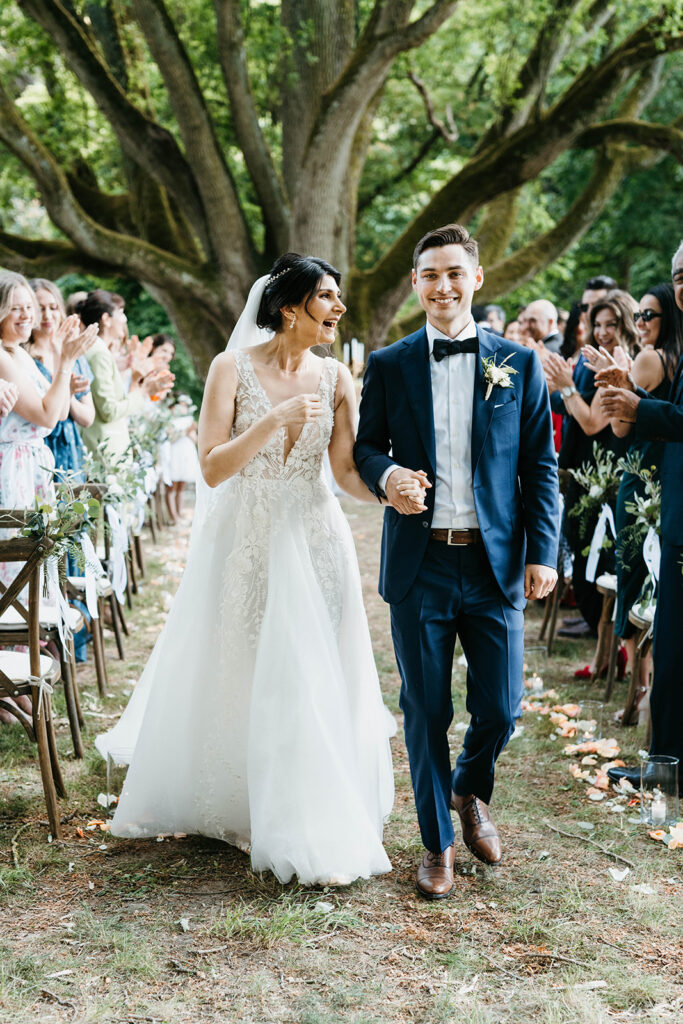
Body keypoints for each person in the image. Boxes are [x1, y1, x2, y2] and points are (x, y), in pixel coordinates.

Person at [96, 253, 424, 886]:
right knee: (243, 658)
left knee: (308, 660)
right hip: (245, 531)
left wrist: (392, 489)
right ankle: (240, 799)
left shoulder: (336, 379)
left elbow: (347, 472)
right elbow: (213, 467)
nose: (339, 310)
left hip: (313, 532)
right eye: (327, 298)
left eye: (338, 298)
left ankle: (304, 795)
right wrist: (273, 420)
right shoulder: (231, 368)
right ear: (287, 307)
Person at [354, 224, 559, 899]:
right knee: (424, 708)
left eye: (453, 274)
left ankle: (469, 790)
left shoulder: (520, 365)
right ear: (415, 285)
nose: (442, 286)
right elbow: (365, 448)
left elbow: (541, 468)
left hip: (494, 564)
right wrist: (387, 477)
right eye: (429, 275)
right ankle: (436, 843)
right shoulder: (388, 364)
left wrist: (543, 552)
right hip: (420, 565)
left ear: (475, 279)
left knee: (500, 708)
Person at [599, 243, 683, 793]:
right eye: (679, 276)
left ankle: (664, 766)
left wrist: (640, 408)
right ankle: (663, 766)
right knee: (673, 650)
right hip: (677, 515)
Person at [0, 270, 96, 721]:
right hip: (12, 471)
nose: (25, 316)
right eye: (15, 307)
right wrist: (64, 365)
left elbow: (55, 416)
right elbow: (45, 415)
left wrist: (63, 372)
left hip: (31, 468)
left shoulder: (17, 353)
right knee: (12, 576)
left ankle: (22, 676)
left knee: (29, 575)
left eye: (29, 308)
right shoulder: (3, 356)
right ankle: (9, 685)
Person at [588, 284, 682, 708]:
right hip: (661, 478)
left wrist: (613, 389)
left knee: (636, 578)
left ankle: (640, 689)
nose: (640, 323)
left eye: (649, 316)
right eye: (639, 316)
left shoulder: (649, 358)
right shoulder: (672, 359)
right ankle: (644, 690)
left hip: (644, 479)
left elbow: (612, 426)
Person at [545, 293, 634, 653]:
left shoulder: (622, 362)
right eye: (597, 325)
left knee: (594, 562)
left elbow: (592, 420)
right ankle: (605, 653)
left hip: (606, 476)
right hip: (585, 471)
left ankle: (611, 653)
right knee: (583, 558)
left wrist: (565, 385)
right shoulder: (595, 358)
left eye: (611, 324)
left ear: (625, 323)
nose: (603, 332)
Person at [78, 290, 172, 462]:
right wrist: (144, 392)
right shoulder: (98, 352)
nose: (125, 319)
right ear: (106, 319)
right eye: (121, 313)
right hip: (105, 452)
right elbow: (109, 411)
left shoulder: (96, 349)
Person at [26, 278, 95, 481]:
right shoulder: (23, 356)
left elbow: (87, 418)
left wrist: (69, 394)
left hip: (69, 450)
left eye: (53, 307)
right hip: (37, 448)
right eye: (40, 309)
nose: (47, 315)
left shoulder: (74, 353)